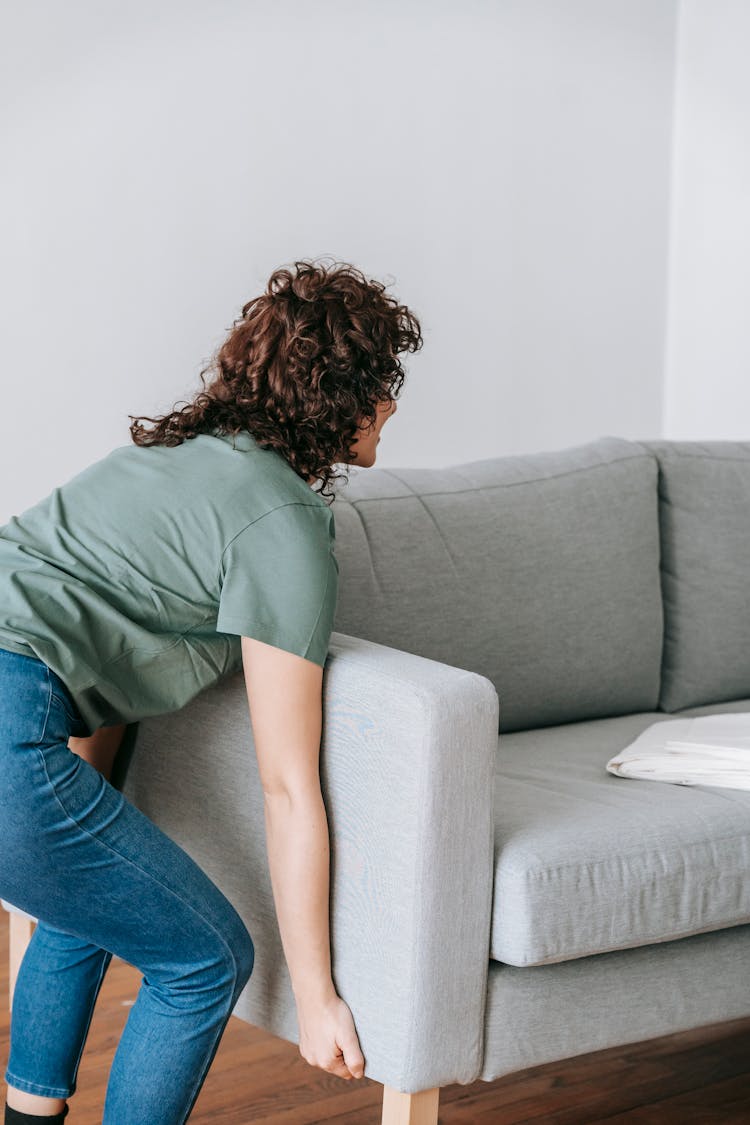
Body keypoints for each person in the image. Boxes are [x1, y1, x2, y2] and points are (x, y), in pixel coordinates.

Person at [0, 257, 423, 1124]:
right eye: (382, 384)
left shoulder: (164, 465)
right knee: (205, 959)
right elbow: (288, 788)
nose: (391, 406)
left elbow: (83, 654)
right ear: (339, 396)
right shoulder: (284, 525)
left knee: (87, 903)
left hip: (20, 705)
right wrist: (315, 995)